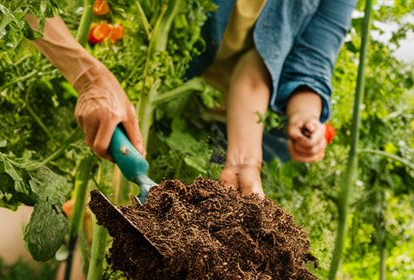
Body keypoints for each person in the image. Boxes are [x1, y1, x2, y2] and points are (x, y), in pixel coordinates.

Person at [29, 0, 354, 197]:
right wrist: (90, 78)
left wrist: (301, 120)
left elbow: (283, 65)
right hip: (135, 52)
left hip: (212, 94)